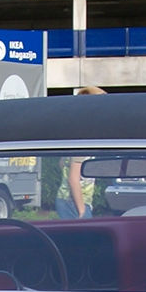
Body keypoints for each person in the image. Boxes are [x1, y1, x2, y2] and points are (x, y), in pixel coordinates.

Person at [56, 86, 106, 219]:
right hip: (74, 203)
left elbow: (61, 163)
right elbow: (73, 178)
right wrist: (82, 210)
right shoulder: (83, 139)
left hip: (66, 200)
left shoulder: (75, 134)